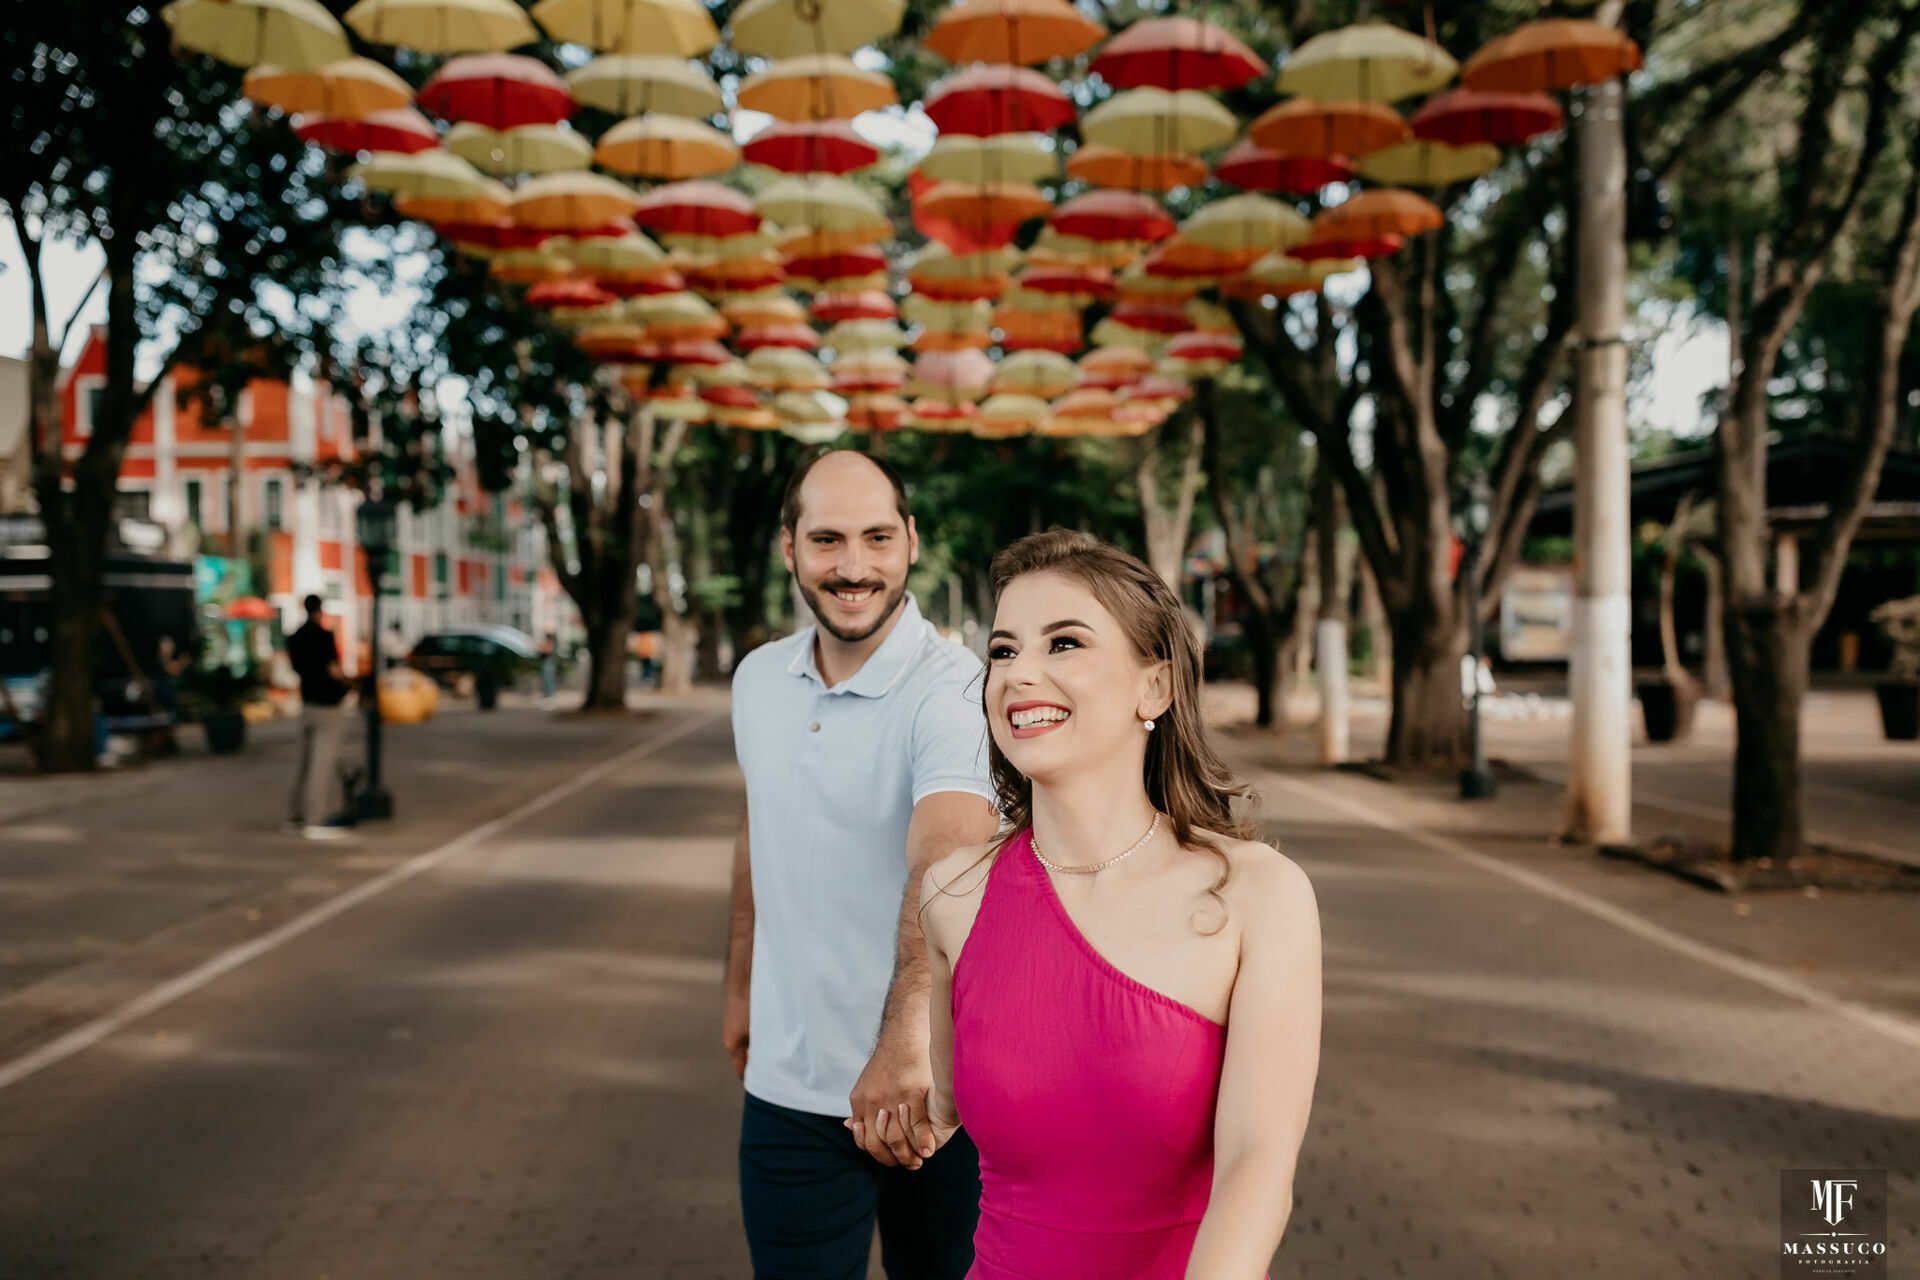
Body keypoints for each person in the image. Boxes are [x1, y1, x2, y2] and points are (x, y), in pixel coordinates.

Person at [892, 530, 1322, 1279]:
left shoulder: (1257, 894)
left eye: (1064, 643)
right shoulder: (953, 892)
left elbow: (1257, 1165)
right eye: (1003, 651)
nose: (1020, 674)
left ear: (1155, 688)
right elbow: (947, 1102)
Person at [727, 449, 1001, 1280]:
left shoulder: (955, 689)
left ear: (911, 540)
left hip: (938, 1090)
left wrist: (906, 1043)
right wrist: (739, 985)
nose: (854, 567)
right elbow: (758, 827)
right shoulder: (756, 679)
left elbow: (950, 853)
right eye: (828, 540)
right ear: (790, 548)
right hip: (788, 1096)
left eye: (877, 538)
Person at [287, 594, 351, 841]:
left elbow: (297, 668)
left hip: (307, 703)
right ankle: (315, 816)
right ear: (320, 610)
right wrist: (349, 682)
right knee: (321, 763)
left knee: (302, 761)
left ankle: (294, 813)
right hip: (327, 705)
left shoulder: (295, 638)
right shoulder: (324, 636)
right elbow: (332, 669)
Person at [539, 631, 558, 700]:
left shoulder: (550, 643)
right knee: (546, 679)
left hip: (547, 663)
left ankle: (548, 696)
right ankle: (547, 695)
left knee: (548, 679)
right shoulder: (549, 643)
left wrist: (540, 648)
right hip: (546, 662)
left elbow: (546, 650)